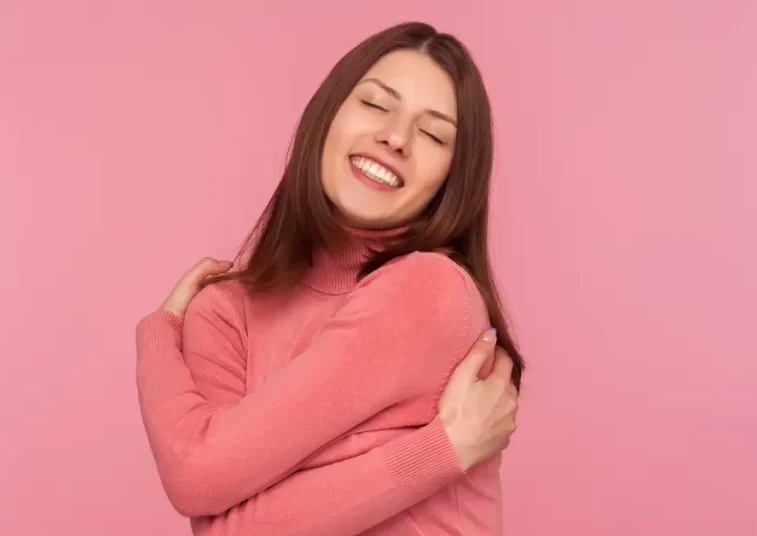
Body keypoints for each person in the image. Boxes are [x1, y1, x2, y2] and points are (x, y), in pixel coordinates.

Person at [135, 21, 525, 535]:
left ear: (451, 180)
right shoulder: (226, 310)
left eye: (433, 134)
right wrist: (441, 451)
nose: (395, 137)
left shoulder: (429, 291)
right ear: (328, 114)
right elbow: (200, 485)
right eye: (375, 104)